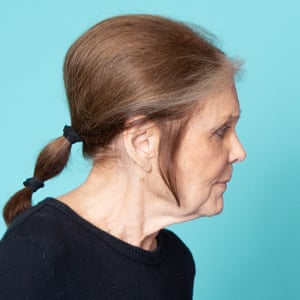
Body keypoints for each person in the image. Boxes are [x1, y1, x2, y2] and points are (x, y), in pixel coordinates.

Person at [0, 14, 246, 299]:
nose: (239, 152)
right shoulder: (35, 254)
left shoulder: (177, 262)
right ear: (143, 142)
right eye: (221, 130)